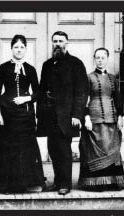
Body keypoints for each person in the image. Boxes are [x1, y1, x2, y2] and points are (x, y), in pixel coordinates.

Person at [0, 35, 45, 194]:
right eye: (16, 47)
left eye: (22, 47)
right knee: (7, 148)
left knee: (26, 149)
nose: (19, 50)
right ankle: (6, 185)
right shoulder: (3, 68)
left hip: (25, 116)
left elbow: (38, 92)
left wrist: (27, 98)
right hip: (7, 113)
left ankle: (27, 183)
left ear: (26, 49)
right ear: (11, 49)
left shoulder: (31, 69)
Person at [37, 31, 89, 195]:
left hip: (67, 116)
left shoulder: (76, 64)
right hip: (49, 115)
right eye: (55, 41)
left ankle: (65, 184)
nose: (57, 44)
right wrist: (40, 114)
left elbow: (82, 92)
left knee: (64, 150)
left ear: (67, 43)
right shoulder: (47, 65)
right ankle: (58, 181)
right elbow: (41, 90)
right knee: (53, 149)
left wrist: (76, 115)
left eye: (61, 41)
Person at [78, 48, 124, 191]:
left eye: (103, 57)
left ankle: (112, 181)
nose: (100, 60)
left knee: (112, 148)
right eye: (97, 57)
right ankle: (95, 182)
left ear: (107, 59)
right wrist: (86, 117)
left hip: (111, 117)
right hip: (94, 118)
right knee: (94, 150)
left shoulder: (113, 78)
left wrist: (120, 117)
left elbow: (118, 99)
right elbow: (83, 99)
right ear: (94, 59)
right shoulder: (88, 77)